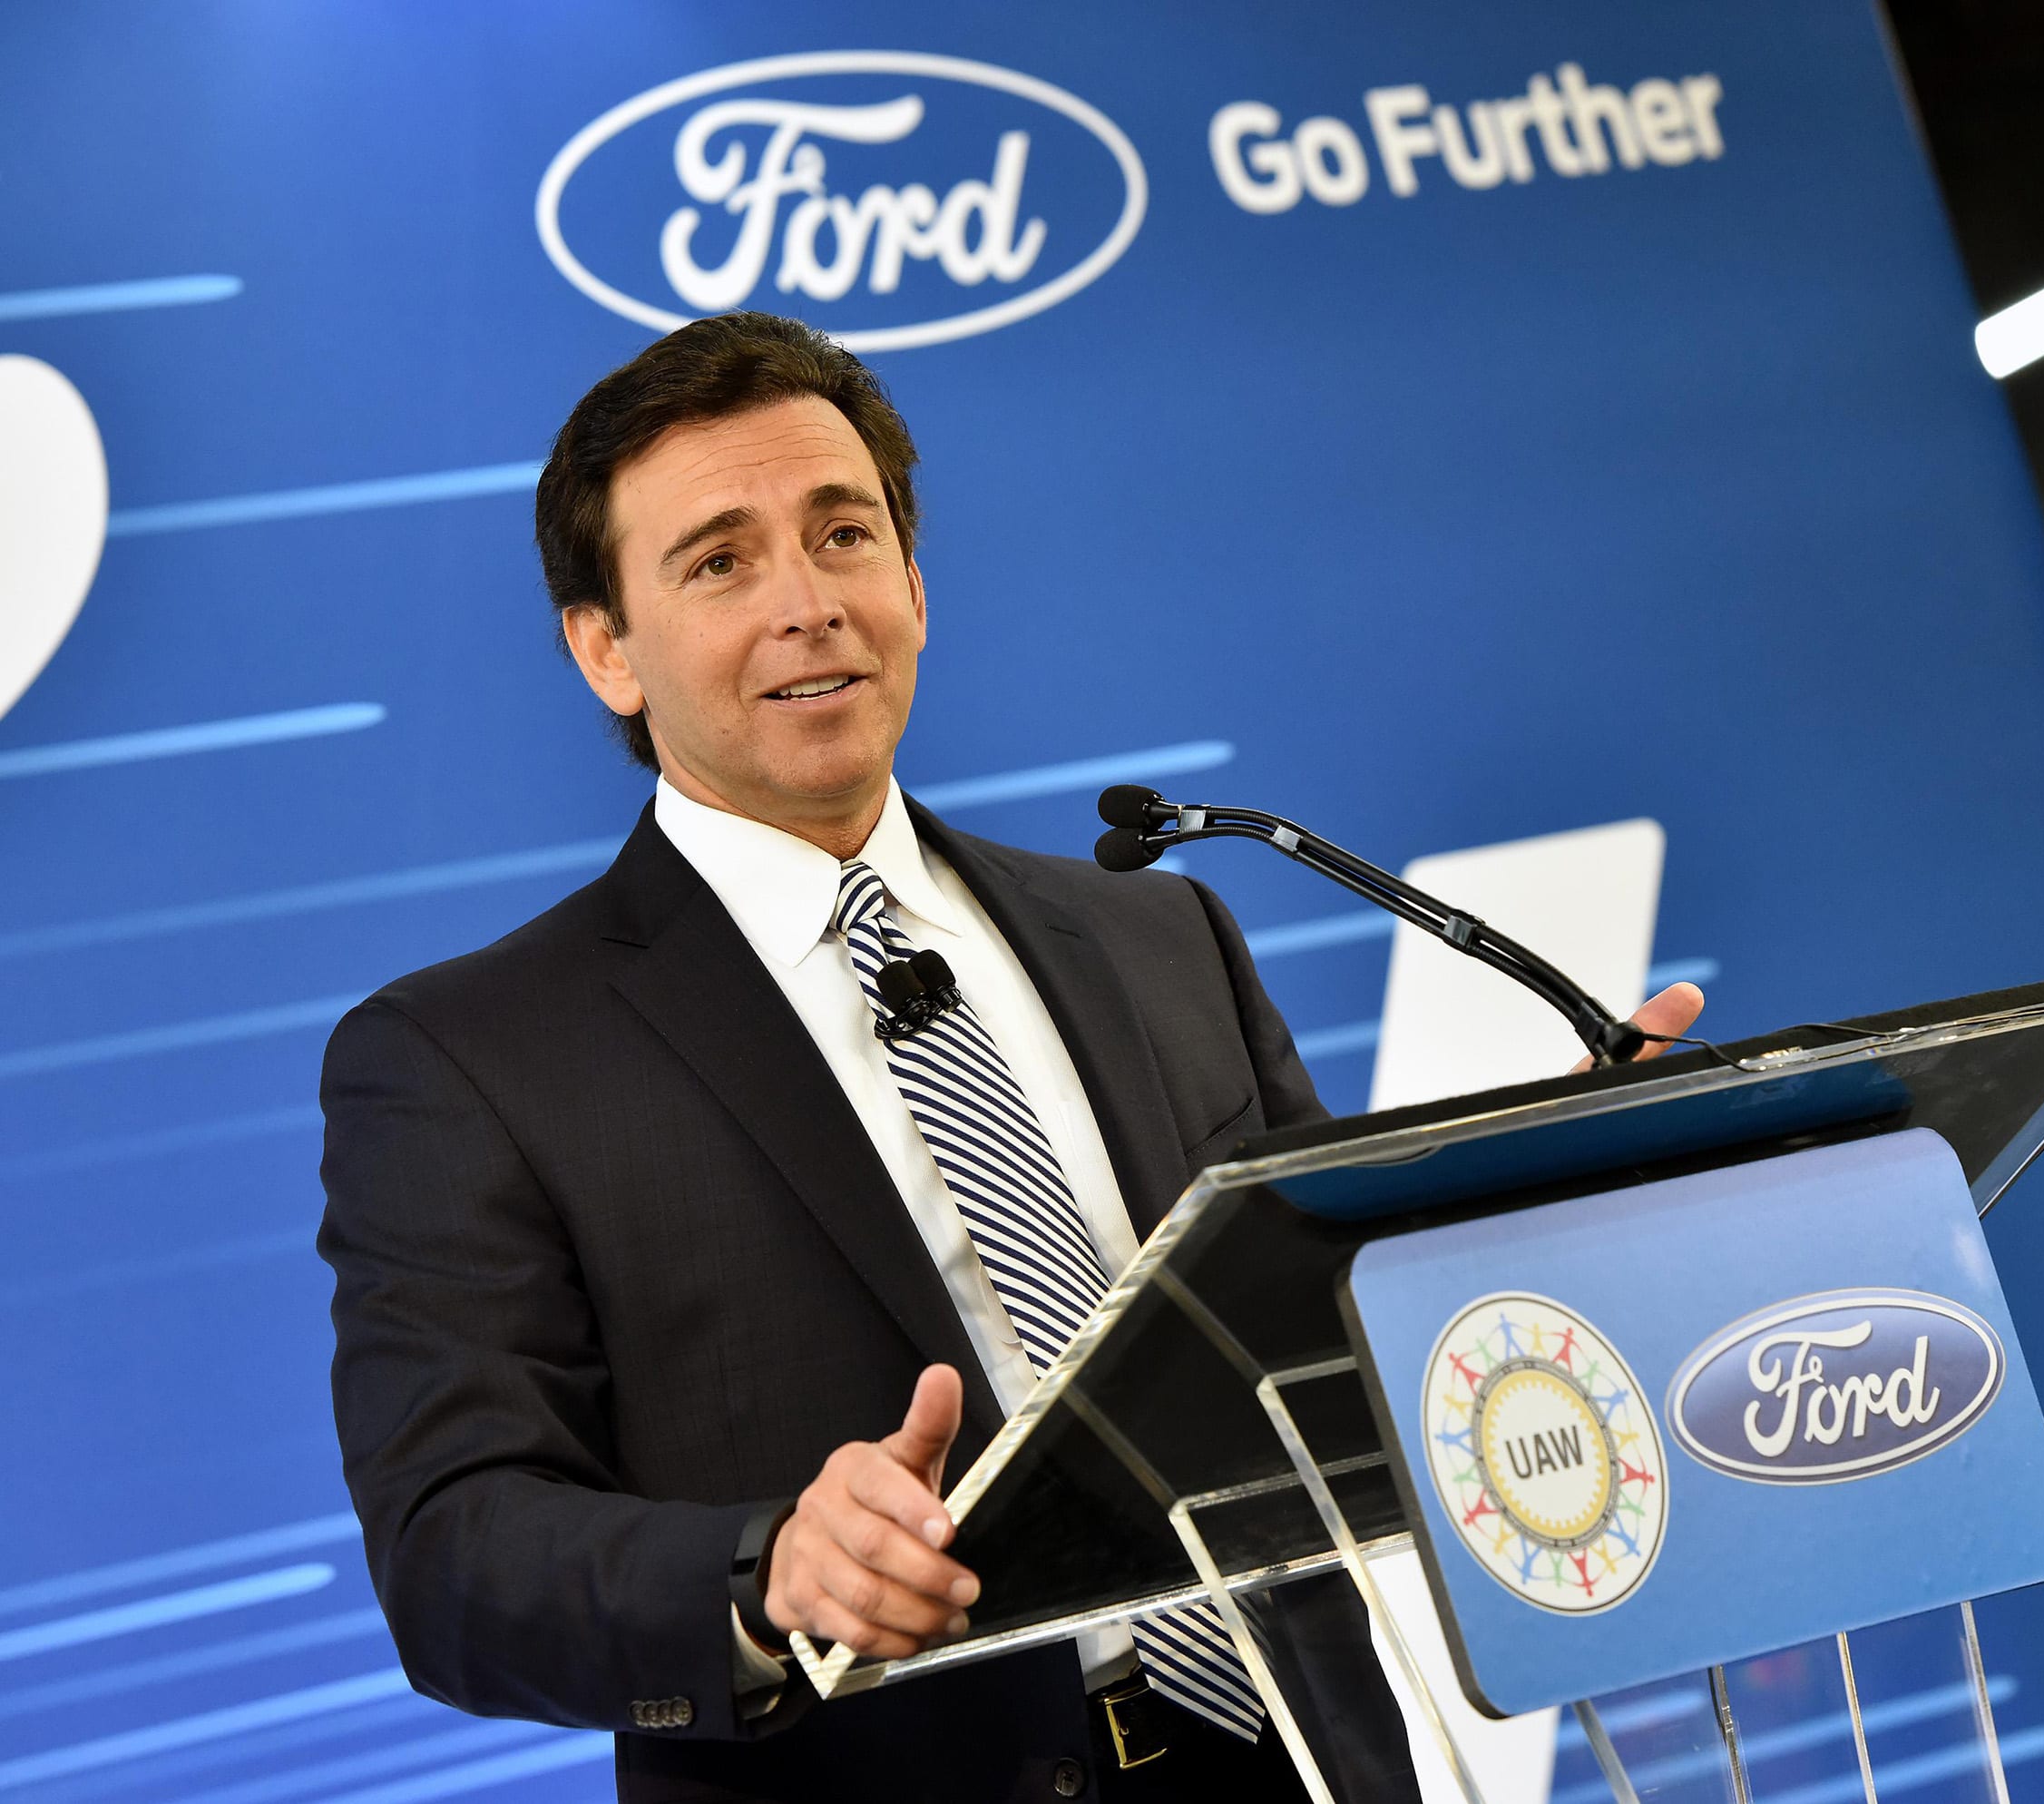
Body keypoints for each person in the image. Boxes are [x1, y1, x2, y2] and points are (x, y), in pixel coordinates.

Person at [316, 311, 1703, 1803]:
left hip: (1296, 1763)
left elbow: (1321, 1342)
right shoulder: (472, 1061)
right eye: (719, 563)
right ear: (607, 651)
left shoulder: (1162, 935)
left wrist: (1530, 1209)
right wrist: (769, 1572)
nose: (806, 604)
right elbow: (453, 1553)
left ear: (913, 583)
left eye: (843, 535)